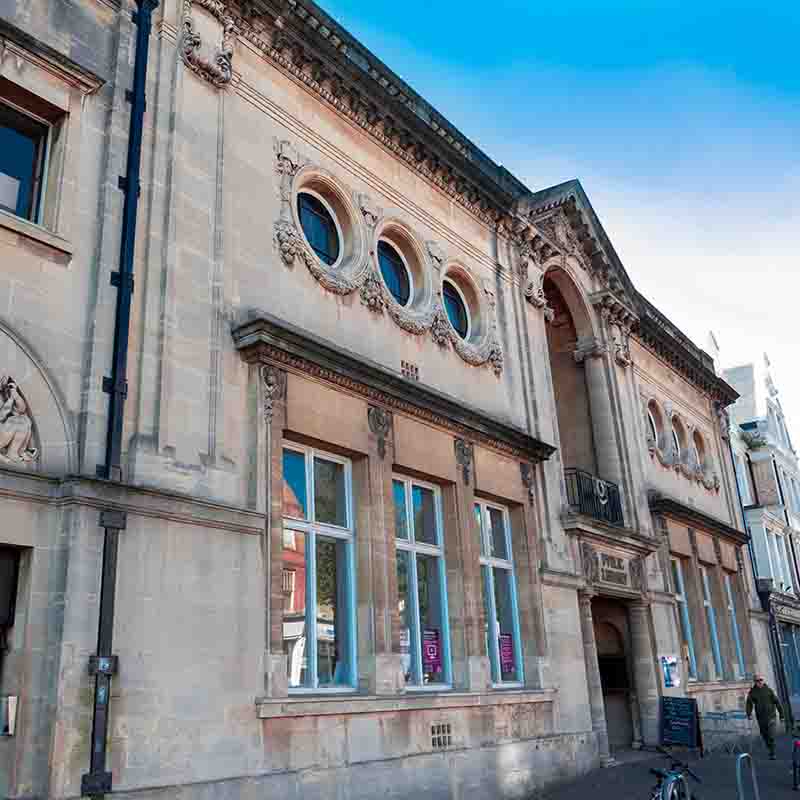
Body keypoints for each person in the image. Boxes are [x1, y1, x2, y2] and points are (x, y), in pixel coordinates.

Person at [746, 674, 784, 759]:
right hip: (761, 718)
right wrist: (749, 714)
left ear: (763, 681)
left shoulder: (768, 690)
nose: (759, 682)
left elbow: (777, 702)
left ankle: (772, 752)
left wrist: (781, 715)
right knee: (764, 734)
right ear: (754, 682)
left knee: (771, 734)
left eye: (760, 680)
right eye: (757, 681)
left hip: (771, 716)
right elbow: (749, 703)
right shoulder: (752, 692)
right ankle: (770, 748)